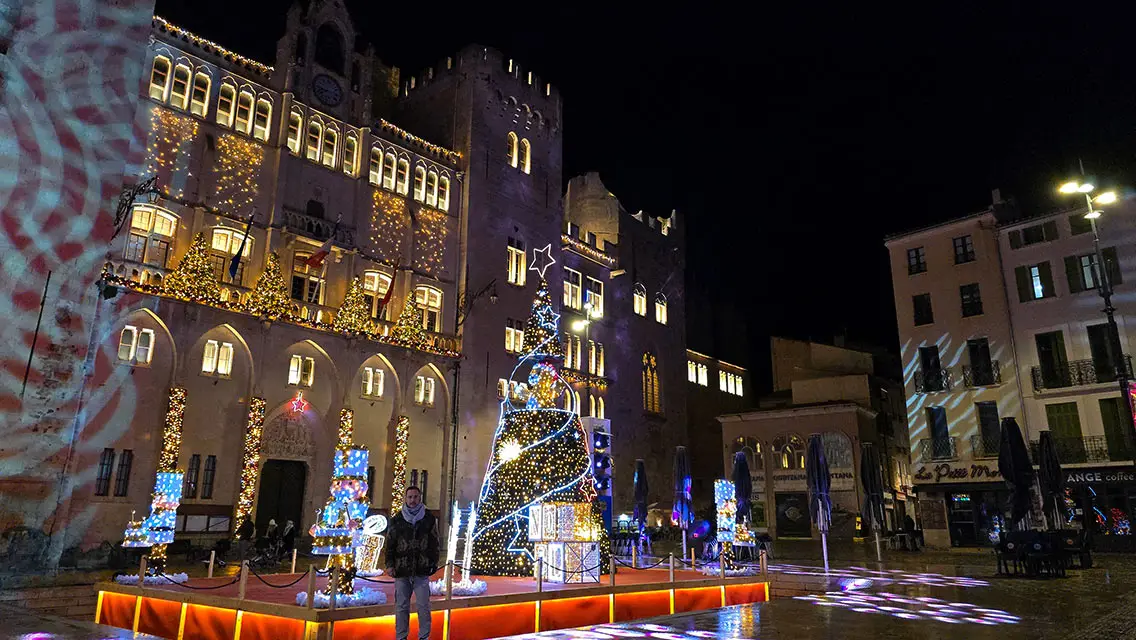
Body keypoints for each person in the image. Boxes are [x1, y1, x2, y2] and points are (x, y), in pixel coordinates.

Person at [386, 486, 439, 640]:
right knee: (401, 607)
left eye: (415, 497)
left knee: (423, 607)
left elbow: (434, 542)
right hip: (401, 569)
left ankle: (424, 637)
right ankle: (401, 637)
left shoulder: (428, 518)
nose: (412, 500)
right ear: (405, 498)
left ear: (420, 498)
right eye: (410, 497)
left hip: (422, 569)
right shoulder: (397, 519)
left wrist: (433, 563)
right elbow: (390, 543)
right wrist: (389, 564)